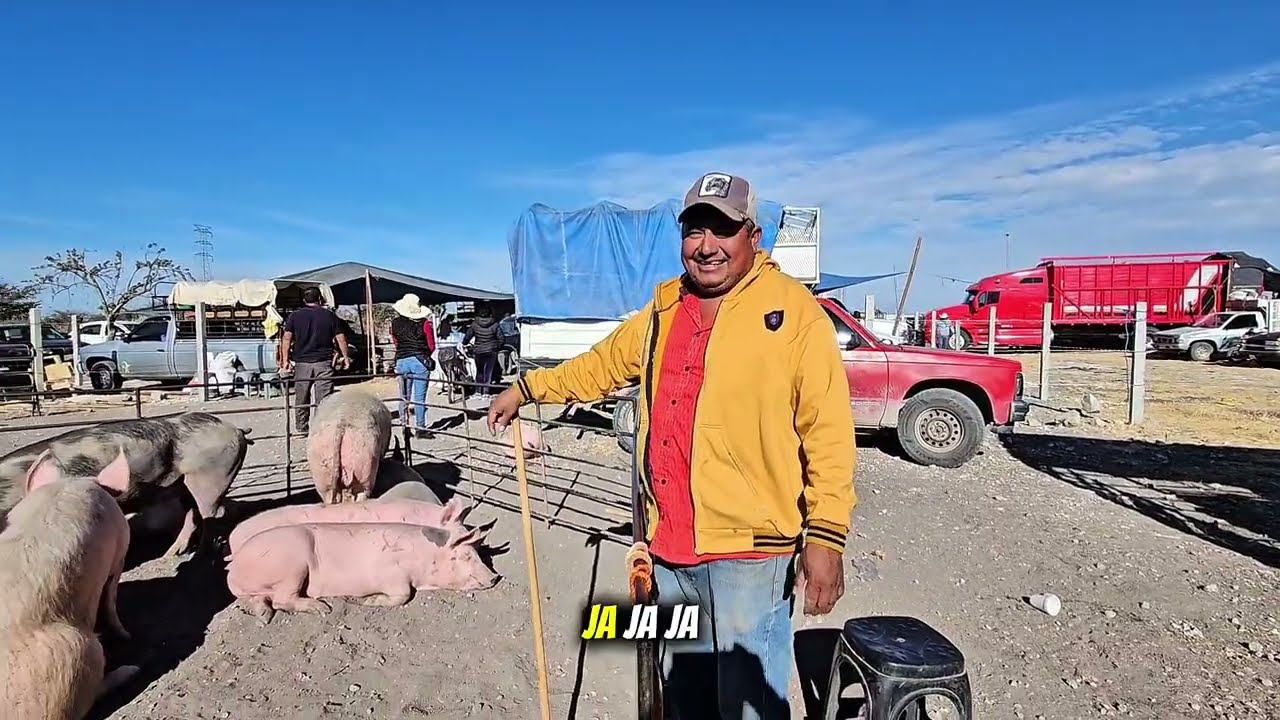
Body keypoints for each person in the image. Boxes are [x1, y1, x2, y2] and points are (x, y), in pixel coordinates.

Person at [487, 172, 856, 719]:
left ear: (753, 236)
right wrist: (528, 387)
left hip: (750, 552)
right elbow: (603, 365)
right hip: (670, 547)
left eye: (723, 229)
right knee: (682, 698)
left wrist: (826, 535)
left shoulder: (792, 311)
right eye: (694, 230)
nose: (706, 246)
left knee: (749, 708)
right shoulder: (664, 308)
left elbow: (826, 430)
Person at [280, 286, 351, 434]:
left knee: (301, 397)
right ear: (320, 299)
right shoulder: (329, 316)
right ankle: (321, 428)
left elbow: (286, 338)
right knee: (324, 399)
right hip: (323, 362)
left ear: (304, 300)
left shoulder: (294, 316)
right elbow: (340, 338)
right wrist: (345, 357)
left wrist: (285, 360)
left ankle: (301, 428)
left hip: (302, 363)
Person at [390, 293, 436, 436]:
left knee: (403, 396)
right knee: (419, 398)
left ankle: (405, 426)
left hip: (401, 360)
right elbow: (431, 345)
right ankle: (420, 428)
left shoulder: (395, 324)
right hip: (420, 360)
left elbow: (396, 342)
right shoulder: (425, 324)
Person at [463, 304, 502, 396]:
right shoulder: (495, 325)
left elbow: (467, 337)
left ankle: (477, 391)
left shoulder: (474, 324)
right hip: (491, 351)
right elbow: (502, 338)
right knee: (488, 372)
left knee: (479, 371)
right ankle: (486, 392)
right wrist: (496, 346)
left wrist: (465, 343)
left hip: (478, 351)